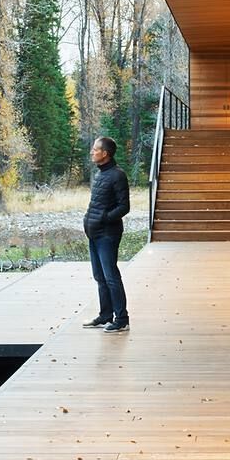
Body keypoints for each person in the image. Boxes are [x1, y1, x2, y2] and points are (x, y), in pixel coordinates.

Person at [82, 135, 130, 332]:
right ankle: (105, 315)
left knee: (111, 277)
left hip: (107, 235)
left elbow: (124, 207)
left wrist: (103, 218)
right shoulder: (101, 174)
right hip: (94, 233)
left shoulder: (117, 175)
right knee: (99, 277)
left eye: (95, 149)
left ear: (105, 154)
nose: (92, 152)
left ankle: (121, 319)